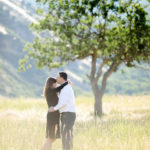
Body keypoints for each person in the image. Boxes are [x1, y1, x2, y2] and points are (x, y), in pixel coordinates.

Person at [49, 72, 76, 150]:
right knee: (67, 135)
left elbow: (63, 103)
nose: (56, 78)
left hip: (68, 114)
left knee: (66, 136)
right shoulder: (65, 87)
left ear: (62, 78)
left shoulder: (66, 88)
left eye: (57, 77)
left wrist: (54, 108)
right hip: (67, 114)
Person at [41, 77, 68, 150]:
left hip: (55, 115)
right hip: (52, 115)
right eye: (55, 83)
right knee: (51, 137)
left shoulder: (52, 91)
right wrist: (66, 83)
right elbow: (58, 89)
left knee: (53, 137)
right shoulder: (50, 91)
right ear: (52, 83)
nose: (56, 84)